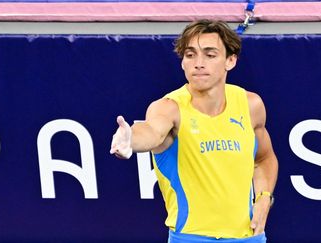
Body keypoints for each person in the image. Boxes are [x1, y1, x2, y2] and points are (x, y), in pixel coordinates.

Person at [110, 19, 278, 243]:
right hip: (190, 238)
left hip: (250, 238)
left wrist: (264, 198)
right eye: (190, 55)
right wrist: (130, 139)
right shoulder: (169, 108)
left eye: (210, 55)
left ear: (230, 60)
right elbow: (152, 131)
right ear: (182, 63)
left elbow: (264, 159)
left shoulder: (250, 105)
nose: (199, 63)